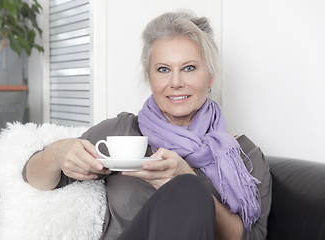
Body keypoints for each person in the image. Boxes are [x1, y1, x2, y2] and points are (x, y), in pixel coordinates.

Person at [23, 10, 272, 240]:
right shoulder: (120, 133)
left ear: (210, 75)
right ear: (149, 77)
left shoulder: (244, 156)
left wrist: (185, 177)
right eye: (163, 69)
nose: (175, 82)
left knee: (188, 189)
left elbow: (253, 236)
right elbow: (33, 177)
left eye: (189, 68)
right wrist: (57, 154)